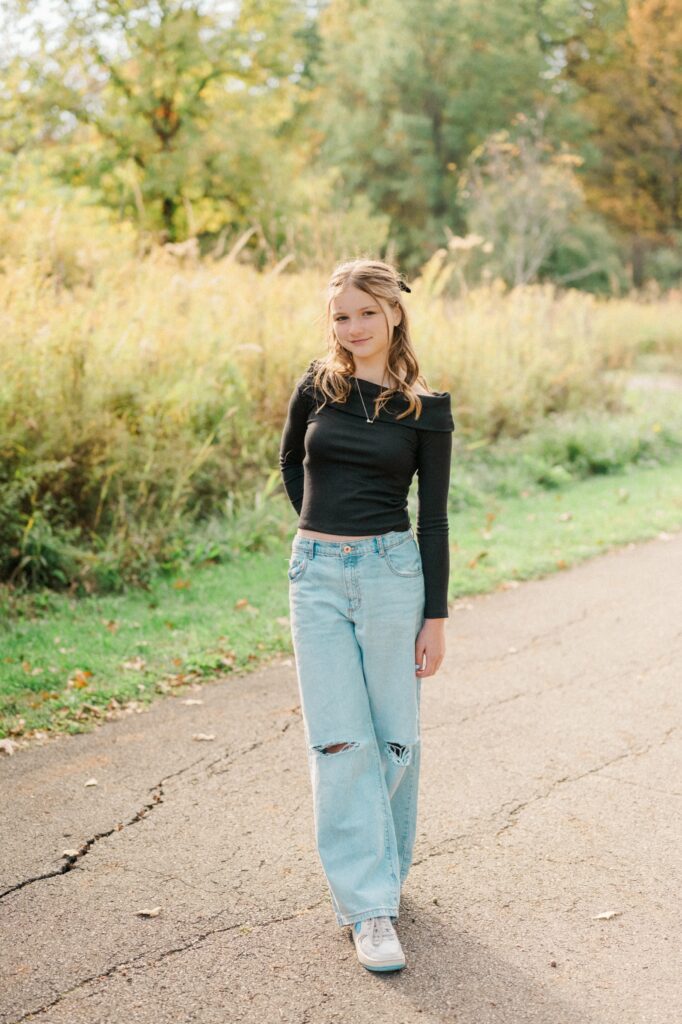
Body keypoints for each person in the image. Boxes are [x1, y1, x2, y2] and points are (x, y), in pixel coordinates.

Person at [278, 257, 454, 972]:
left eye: (366, 313)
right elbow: (291, 464)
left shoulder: (425, 409)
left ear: (394, 313)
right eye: (341, 316)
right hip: (315, 577)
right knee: (338, 742)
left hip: (391, 578)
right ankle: (368, 908)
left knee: (394, 740)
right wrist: (323, 535)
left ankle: (382, 874)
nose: (353, 328)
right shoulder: (315, 387)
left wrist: (435, 617)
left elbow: (434, 520)